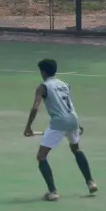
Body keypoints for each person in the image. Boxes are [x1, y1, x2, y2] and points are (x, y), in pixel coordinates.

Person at [23, 59, 98, 201]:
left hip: (59, 123)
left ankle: (53, 192)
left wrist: (28, 127)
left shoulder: (43, 87)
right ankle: (90, 182)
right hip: (73, 119)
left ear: (43, 71)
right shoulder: (64, 84)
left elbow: (35, 107)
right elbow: (68, 105)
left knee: (41, 156)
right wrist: (77, 123)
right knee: (76, 149)